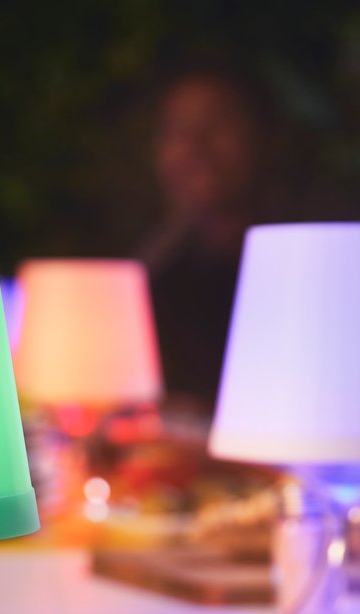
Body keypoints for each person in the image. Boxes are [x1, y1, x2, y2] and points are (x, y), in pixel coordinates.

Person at [137, 63, 286, 413]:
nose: (194, 147)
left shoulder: (306, 268)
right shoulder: (157, 271)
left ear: (262, 136)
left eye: (216, 125)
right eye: (177, 130)